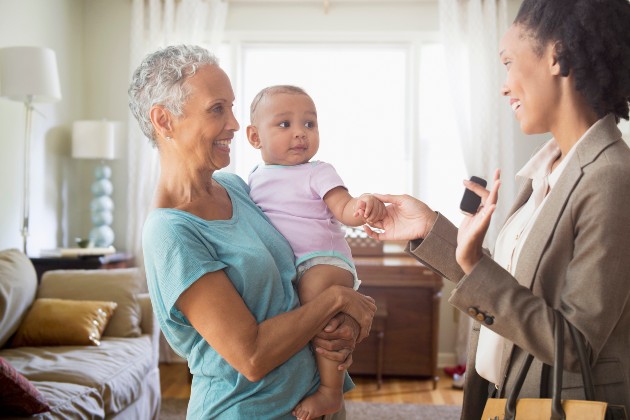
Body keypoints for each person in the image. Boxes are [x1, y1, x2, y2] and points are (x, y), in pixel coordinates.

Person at [365, 0, 630, 417]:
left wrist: (473, 263)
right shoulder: (548, 170)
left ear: (557, 56)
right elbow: (512, 288)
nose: (504, 85)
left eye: (508, 63)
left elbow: (574, 345)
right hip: (498, 397)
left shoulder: (611, 177)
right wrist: (429, 229)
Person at [128, 45, 377, 419]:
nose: (233, 123)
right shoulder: (170, 232)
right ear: (164, 121)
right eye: (217, 109)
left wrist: (342, 325)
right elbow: (252, 355)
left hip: (313, 403)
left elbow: (292, 285)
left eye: (231, 106)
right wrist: (337, 300)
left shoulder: (237, 188)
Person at [246, 85, 387, 419]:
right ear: (254, 137)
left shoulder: (318, 171)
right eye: (285, 125)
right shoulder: (253, 178)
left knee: (321, 312)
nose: (300, 134)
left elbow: (344, 207)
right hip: (293, 266)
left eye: (309, 124)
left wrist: (364, 205)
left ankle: (329, 391)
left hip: (324, 260)